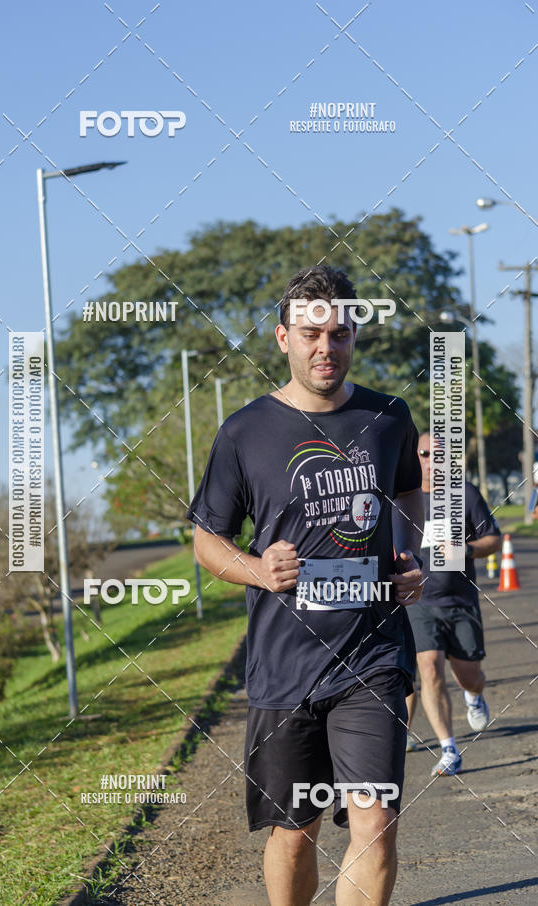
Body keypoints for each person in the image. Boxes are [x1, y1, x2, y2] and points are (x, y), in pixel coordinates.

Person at [186, 265, 424, 906]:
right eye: (313, 334)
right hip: (283, 666)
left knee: (376, 821)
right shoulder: (244, 432)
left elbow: (407, 493)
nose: (328, 348)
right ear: (282, 337)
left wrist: (409, 553)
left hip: (371, 655)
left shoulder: (389, 417)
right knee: (295, 832)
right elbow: (206, 540)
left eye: (341, 334)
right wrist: (259, 569)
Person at [406, 432, 502, 777]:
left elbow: (494, 538)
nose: (433, 460)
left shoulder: (464, 493)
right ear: (415, 456)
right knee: (428, 668)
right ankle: (449, 750)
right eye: (426, 453)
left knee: (469, 676)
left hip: (460, 602)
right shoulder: (404, 496)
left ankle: (474, 696)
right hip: (420, 602)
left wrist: (468, 550)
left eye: (440, 454)